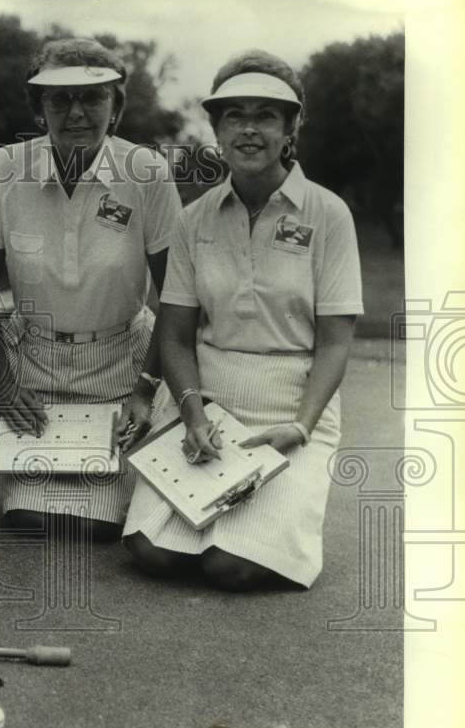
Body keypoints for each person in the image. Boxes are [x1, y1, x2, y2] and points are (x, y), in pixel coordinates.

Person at [122, 50, 363, 591]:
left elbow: (335, 343)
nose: (249, 130)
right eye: (234, 116)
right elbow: (177, 335)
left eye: (266, 116)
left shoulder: (329, 214)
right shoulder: (194, 217)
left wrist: (300, 427)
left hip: (292, 413)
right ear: (217, 128)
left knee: (228, 566)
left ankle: (280, 522)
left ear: (290, 129)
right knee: (152, 552)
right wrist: (190, 413)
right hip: (206, 405)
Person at [0, 38, 182, 541]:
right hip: (34, 370)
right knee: (33, 520)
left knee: (104, 527)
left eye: (92, 98)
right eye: (58, 99)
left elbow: (177, 298)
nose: (76, 113)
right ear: (38, 109)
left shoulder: (147, 173)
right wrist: (3, 383)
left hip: (123, 367)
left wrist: (145, 389)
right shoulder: (4, 169)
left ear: (117, 107)